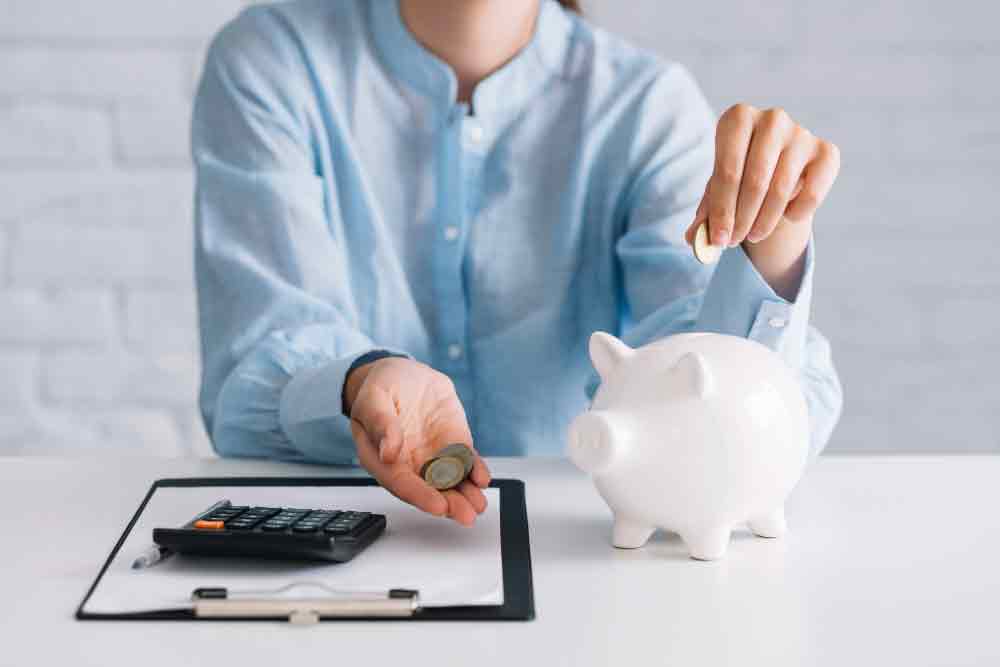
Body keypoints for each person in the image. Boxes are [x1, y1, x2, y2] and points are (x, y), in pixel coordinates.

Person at [194, 0, 843, 527]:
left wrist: (772, 247)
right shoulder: (270, 64)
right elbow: (248, 384)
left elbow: (718, 415)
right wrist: (360, 381)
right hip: (344, 539)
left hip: (584, 554)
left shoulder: (646, 107)